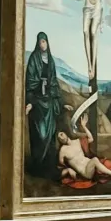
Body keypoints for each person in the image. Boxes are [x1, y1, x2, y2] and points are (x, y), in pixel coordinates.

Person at [24, 32, 73, 178]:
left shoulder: (50, 60)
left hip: (49, 102)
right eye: (40, 42)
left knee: (50, 134)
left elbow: (53, 82)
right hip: (38, 102)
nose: (42, 45)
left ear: (47, 43)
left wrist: (62, 103)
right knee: (41, 134)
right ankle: (38, 166)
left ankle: (49, 166)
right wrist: (31, 102)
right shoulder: (33, 58)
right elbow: (30, 81)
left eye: (44, 42)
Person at [57, 113, 111, 186]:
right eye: (59, 137)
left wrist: (84, 126)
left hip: (91, 166)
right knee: (95, 160)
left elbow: (91, 139)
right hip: (85, 172)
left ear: (65, 133)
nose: (61, 137)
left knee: (107, 163)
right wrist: (68, 169)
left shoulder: (77, 141)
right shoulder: (63, 150)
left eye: (61, 134)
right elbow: (60, 166)